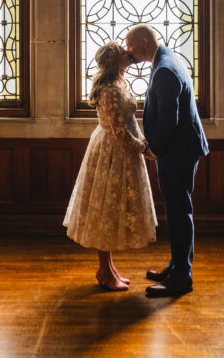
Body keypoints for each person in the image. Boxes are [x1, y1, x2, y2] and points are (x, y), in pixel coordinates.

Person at [63, 41, 157, 291]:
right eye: (123, 53)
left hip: (119, 151)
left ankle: (108, 268)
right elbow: (120, 133)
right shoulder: (112, 89)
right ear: (115, 61)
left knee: (111, 209)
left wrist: (141, 143)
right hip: (112, 153)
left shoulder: (117, 83)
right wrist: (143, 148)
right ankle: (105, 271)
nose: (129, 54)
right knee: (107, 209)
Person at [125, 24, 208, 297]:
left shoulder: (164, 70)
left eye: (131, 46)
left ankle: (182, 277)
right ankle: (176, 266)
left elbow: (169, 121)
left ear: (144, 42)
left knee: (179, 212)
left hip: (177, 151)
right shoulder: (167, 60)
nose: (129, 52)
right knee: (176, 211)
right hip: (178, 149)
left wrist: (155, 150)